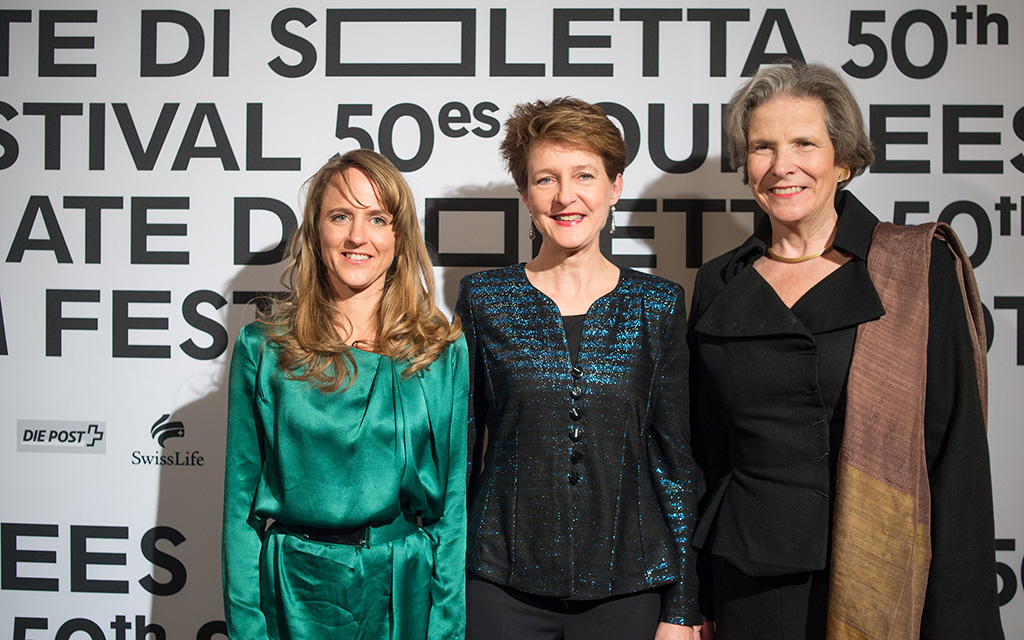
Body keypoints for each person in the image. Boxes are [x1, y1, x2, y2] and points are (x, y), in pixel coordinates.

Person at [688, 60, 1004, 639]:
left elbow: (957, 455)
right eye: (763, 147)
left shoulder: (915, 268)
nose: (782, 166)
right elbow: (705, 451)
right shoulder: (719, 282)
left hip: (881, 565)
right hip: (749, 577)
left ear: (844, 159)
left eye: (804, 143)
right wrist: (692, 598)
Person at [456, 97, 703, 640]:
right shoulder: (483, 299)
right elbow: (461, 453)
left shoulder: (657, 305)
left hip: (630, 588)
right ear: (525, 194)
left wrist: (682, 605)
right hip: (499, 584)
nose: (566, 197)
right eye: (546, 179)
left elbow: (676, 463)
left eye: (584, 175)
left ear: (615, 185)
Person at [221, 149, 469, 640]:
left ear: (399, 237)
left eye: (377, 218)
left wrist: (446, 629)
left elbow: (451, 510)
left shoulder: (439, 351)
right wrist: (248, 630)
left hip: (402, 591)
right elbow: (238, 512)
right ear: (316, 231)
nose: (358, 236)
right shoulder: (263, 348)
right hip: (292, 590)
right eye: (341, 216)